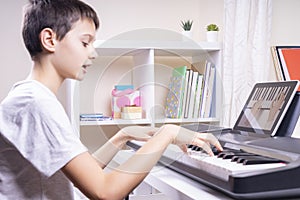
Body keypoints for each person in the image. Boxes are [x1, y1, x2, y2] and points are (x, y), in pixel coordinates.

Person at [0, 0, 223, 199]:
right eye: (85, 43)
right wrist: (168, 132)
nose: (93, 54)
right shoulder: (35, 103)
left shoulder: (32, 97)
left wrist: (121, 136)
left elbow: (82, 175)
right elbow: (105, 191)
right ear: (50, 39)